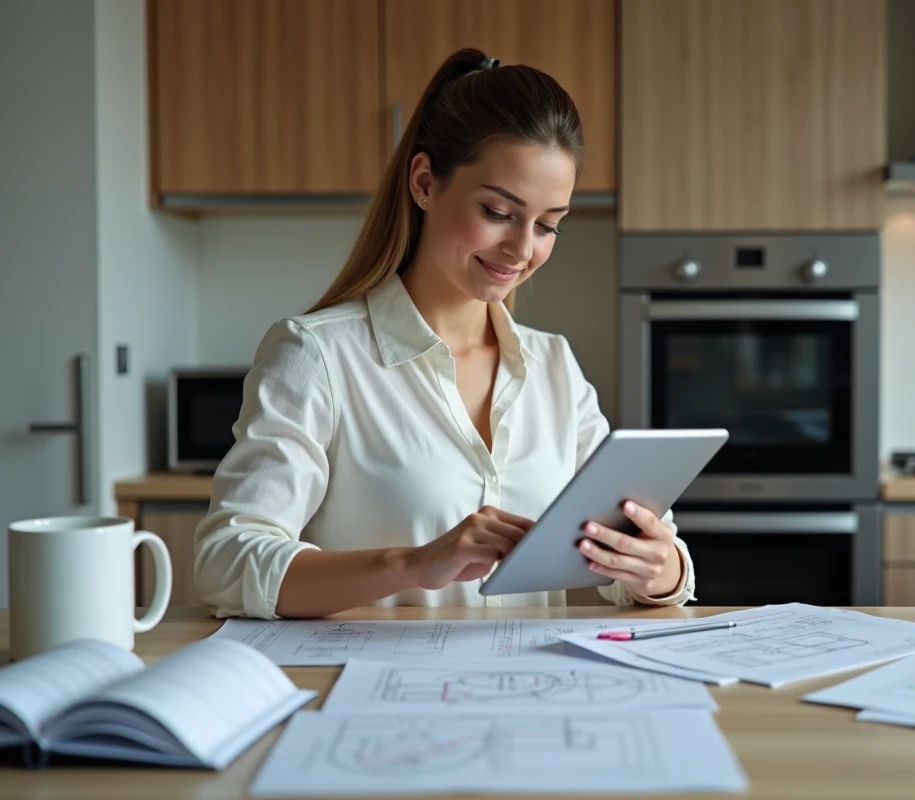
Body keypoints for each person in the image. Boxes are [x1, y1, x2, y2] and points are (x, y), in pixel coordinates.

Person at [192, 48, 696, 620]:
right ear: (426, 182)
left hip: (527, 698)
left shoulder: (554, 365)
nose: (523, 249)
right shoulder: (317, 356)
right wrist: (413, 564)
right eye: (499, 212)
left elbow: (641, 550)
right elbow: (226, 562)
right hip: (370, 699)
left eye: (549, 224)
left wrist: (660, 568)